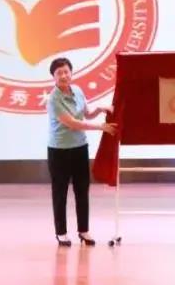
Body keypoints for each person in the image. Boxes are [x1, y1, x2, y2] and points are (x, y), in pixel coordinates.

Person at [46, 56, 117, 247]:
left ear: (71, 72)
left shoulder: (77, 90)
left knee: (82, 190)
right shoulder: (53, 99)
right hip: (59, 151)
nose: (63, 76)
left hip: (80, 148)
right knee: (60, 192)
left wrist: (100, 109)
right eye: (59, 73)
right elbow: (72, 123)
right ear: (53, 76)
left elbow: (86, 113)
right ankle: (61, 233)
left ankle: (84, 231)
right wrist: (100, 127)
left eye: (66, 71)